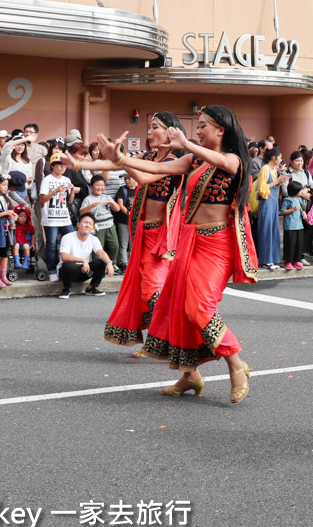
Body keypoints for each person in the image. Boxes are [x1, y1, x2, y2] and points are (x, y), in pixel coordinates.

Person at [99, 105, 256, 402]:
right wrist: (119, 158)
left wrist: (186, 144)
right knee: (181, 308)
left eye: (203, 126)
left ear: (221, 130)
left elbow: (230, 165)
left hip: (217, 244)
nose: (197, 131)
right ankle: (190, 375)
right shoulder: (193, 159)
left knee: (199, 307)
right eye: (196, 127)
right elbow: (156, 170)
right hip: (189, 240)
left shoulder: (231, 159)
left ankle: (236, 363)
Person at [79, 112, 183, 351]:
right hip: (143, 232)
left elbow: (146, 177)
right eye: (149, 127)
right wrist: (79, 164)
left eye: (155, 127)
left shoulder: (171, 161)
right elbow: (113, 164)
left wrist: (121, 159)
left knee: (151, 289)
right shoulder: (147, 155)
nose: (149, 131)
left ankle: (173, 337)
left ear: (171, 131)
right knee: (145, 290)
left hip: (161, 234)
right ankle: (159, 341)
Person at [56, 214, 115, 299]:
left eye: (90, 224)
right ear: (78, 224)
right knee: (67, 265)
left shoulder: (94, 239)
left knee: (103, 262)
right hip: (67, 272)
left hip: (84, 271)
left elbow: (101, 253)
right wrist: (83, 261)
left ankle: (91, 288)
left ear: (92, 227)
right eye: (85, 222)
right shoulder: (67, 237)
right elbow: (64, 256)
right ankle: (66, 288)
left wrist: (109, 262)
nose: (87, 225)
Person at [38, 153, 77, 278]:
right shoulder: (47, 179)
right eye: (59, 165)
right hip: (51, 218)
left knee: (72, 240)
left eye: (64, 165)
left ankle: (67, 266)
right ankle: (52, 271)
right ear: (53, 166)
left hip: (64, 217)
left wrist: (71, 191)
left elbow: (69, 202)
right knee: (51, 244)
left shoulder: (67, 180)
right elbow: (42, 200)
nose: (62, 167)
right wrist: (55, 190)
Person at [255, 147, 288, 271]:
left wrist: (279, 179)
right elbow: (262, 190)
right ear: (274, 158)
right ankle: (265, 260)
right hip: (267, 202)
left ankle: (271, 258)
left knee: (273, 230)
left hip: (273, 202)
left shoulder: (273, 170)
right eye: (279, 158)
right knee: (266, 230)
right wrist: (277, 181)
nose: (280, 160)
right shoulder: (264, 169)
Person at [80, 176, 121, 263]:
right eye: (97, 185)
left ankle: (111, 263)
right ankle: (98, 266)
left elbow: (117, 209)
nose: (100, 187)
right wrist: (91, 206)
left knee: (115, 246)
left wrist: (112, 203)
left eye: (102, 185)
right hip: (98, 227)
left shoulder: (107, 197)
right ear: (91, 187)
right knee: (98, 248)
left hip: (110, 225)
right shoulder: (88, 199)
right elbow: (82, 213)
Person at [281, 180, 308, 270]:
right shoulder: (287, 200)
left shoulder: (299, 199)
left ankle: (296, 260)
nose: (301, 192)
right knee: (290, 244)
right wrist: (293, 209)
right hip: (290, 226)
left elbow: (301, 209)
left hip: (299, 225)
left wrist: (304, 213)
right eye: (299, 190)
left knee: (298, 244)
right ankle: (288, 261)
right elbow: (283, 212)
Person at [13, 205, 34, 270]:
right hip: (16, 242)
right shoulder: (14, 225)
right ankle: (17, 262)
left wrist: (33, 244)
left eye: (25, 216)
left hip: (26, 243)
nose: (23, 218)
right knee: (16, 245)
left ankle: (25, 263)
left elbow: (33, 235)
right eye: (20, 216)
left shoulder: (29, 226)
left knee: (26, 246)